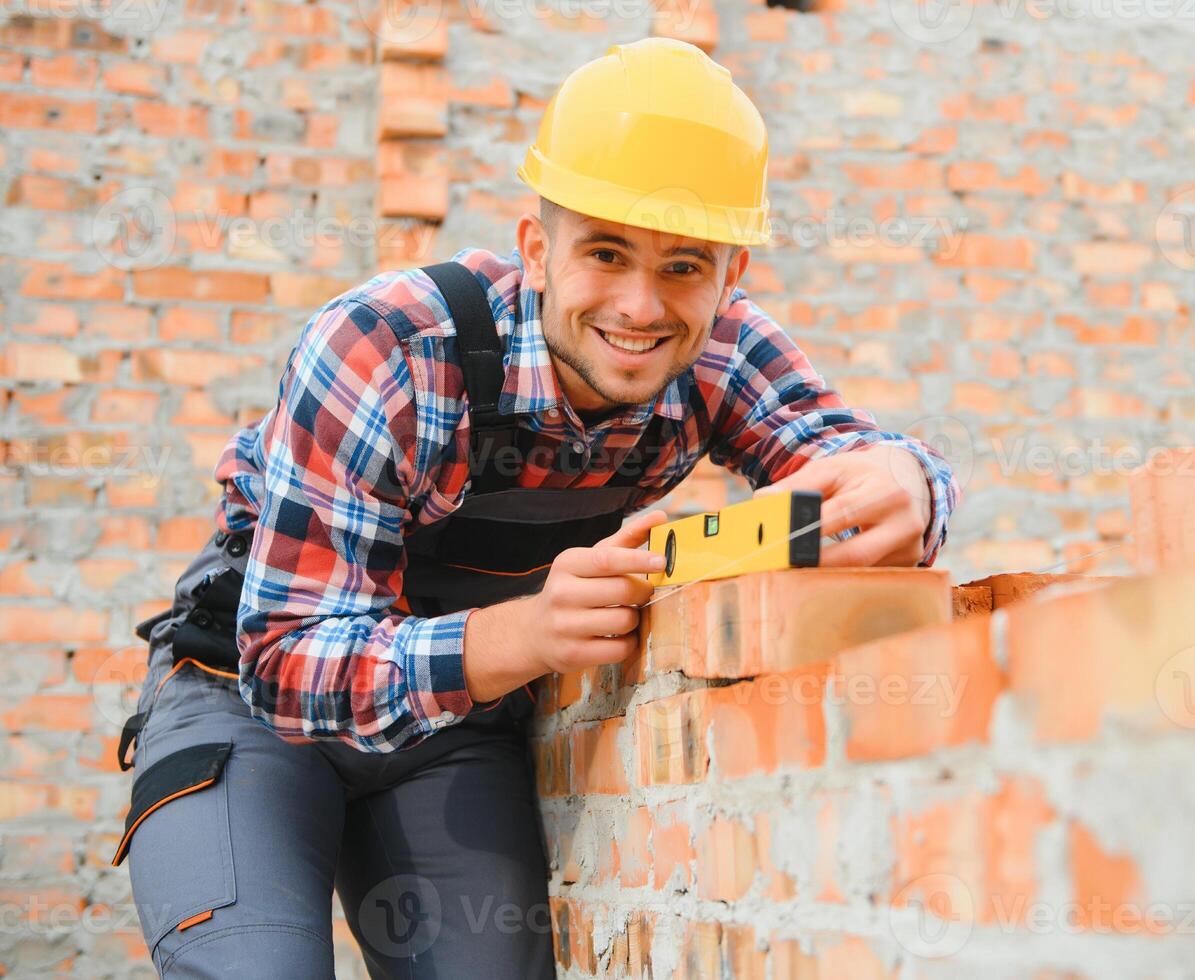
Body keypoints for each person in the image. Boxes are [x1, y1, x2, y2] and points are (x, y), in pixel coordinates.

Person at [112, 36, 959, 978]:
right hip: (246, 707)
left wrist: (906, 482)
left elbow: (852, 459)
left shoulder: (719, 349)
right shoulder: (386, 345)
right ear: (537, 250)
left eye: (684, 265)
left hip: (448, 735)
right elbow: (287, 662)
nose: (641, 305)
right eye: (605, 252)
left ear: (732, 275)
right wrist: (528, 634)